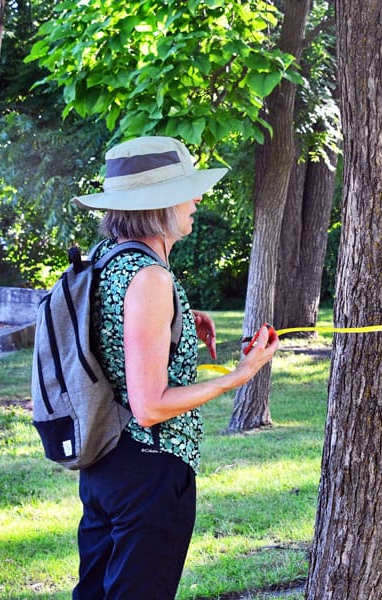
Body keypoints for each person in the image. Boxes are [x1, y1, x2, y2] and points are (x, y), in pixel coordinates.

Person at [70, 136, 280, 599]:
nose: (198, 198)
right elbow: (149, 407)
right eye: (188, 188)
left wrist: (179, 320)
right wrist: (242, 374)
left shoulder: (110, 259)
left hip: (107, 464)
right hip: (150, 471)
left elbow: (116, 336)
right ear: (158, 203)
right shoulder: (149, 277)